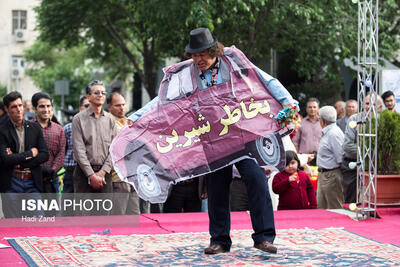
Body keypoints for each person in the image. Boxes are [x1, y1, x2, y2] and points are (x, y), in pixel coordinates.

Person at [126, 28, 296, 254]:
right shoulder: (187, 75)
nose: (198, 60)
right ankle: (219, 240)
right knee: (216, 188)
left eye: (202, 55)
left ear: (214, 51)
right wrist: (136, 117)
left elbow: (267, 80)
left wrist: (288, 102)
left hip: (243, 132)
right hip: (212, 137)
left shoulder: (234, 63)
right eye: (194, 55)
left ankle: (264, 238)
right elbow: (163, 100)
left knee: (256, 179)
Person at [0, 91, 49, 217]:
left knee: (38, 219)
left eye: (20, 105)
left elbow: (44, 154)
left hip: (32, 181)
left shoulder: (34, 128)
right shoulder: (2, 130)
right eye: (14, 107)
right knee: (13, 224)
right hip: (11, 182)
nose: (18, 109)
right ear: (6, 109)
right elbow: (5, 159)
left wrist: (19, 161)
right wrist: (30, 153)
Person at [72, 80, 117, 196]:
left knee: (104, 212)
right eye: (96, 92)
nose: (100, 95)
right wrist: (91, 175)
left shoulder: (110, 119)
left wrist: (102, 173)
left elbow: (114, 149)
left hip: (105, 173)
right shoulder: (78, 119)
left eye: (103, 93)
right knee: (83, 212)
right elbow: (79, 151)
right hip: (83, 173)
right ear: (88, 96)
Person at [342, 94, 383, 204]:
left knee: (373, 200)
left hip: (376, 167)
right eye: (367, 103)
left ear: (379, 107)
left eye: (373, 104)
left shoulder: (383, 121)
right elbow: (347, 145)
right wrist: (369, 152)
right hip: (353, 165)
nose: (369, 107)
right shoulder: (355, 119)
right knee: (351, 201)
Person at [107, 92, 140, 215]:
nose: (121, 108)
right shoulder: (107, 122)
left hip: (133, 176)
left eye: (123, 105)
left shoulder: (128, 121)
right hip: (118, 177)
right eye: (117, 105)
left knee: (134, 215)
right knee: (118, 217)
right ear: (109, 107)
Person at [31, 92, 66, 193]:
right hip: (31, 180)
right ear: (34, 108)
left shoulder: (59, 129)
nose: (46, 110)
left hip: (52, 180)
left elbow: (61, 153)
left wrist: (52, 171)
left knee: (52, 208)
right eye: (42, 106)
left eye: (48, 106)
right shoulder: (28, 127)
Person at [317, 106, 344, 209]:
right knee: (321, 208)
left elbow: (341, 158)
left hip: (331, 175)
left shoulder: (334, 133)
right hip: (324, 175)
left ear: (322, 120)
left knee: (334, 208)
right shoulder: (328, 132)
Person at [63, 96, 90, 194]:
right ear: (80, 109)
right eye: (86, 106)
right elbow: (63, 151)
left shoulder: (100, 129)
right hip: (71, 173)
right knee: (69, 206)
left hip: (91, 175)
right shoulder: (68, 129)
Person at [292, 98, 322, 165]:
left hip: (321, 158)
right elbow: (295, 142)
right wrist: (296, 158)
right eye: (310, 107)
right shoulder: (301, 122)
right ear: (306, 109)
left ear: (318, 108)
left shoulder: (323, 122)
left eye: (314, 107)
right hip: (305, 159)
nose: (312, 109)